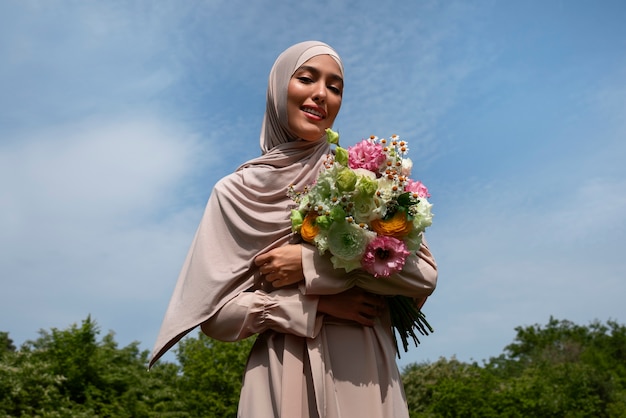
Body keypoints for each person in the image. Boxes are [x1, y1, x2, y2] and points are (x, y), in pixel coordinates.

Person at [149, 40, 438, 418]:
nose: (321, 94)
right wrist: (313, 305)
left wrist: (307, 264)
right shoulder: (234, 193)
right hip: (282, 369)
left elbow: (423, 277)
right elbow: (217, 318)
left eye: (335, 87)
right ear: (279, 88)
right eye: (306, 78)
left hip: (365, 369)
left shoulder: (362, 179)